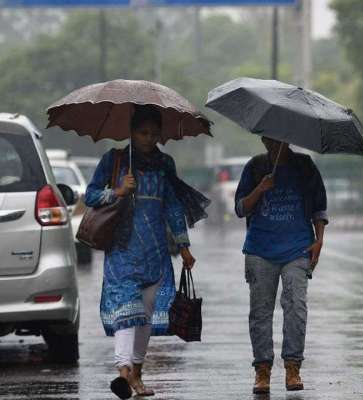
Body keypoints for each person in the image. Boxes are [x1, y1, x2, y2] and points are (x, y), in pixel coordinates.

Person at [85, 104, 208, 399]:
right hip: (122, 251)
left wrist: (184, 246)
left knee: (146, 318)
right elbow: (89, 195)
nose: (149, 139)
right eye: (143, 133)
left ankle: (136, 374)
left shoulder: (165, 164)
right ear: (131, 132)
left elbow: (173, 207)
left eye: (154, 133)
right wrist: (116, 191)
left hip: (156, 253)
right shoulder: (113, 160)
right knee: (129, 312)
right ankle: (123, 372)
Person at [234, 137, 328, 394]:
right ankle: (262, 371)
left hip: (298, 249)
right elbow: (241, 208)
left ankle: (292, 367)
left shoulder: (305, 166)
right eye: (268, 138)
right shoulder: (254, 166)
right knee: (260, 312)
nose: (273, 143)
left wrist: (319, 241)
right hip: (260, 251)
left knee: (296, 306)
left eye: (279, 139)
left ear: (288, 138)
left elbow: (319, 207)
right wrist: (260, 189)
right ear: (263, 138)